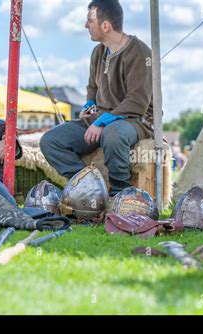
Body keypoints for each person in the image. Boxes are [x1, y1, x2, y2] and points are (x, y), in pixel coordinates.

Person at [40, 0, 153, 196]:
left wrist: (102, 121)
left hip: (134, 120)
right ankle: (89, 187)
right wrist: (90, 106)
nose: (86, 26)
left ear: (106, 26)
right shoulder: (98, 52)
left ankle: (119, 195)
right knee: (51, 140)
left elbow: (137, 102)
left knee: (113, 134)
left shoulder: (139, 52)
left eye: (89, 21)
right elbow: (92, 88)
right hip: (101, 118)